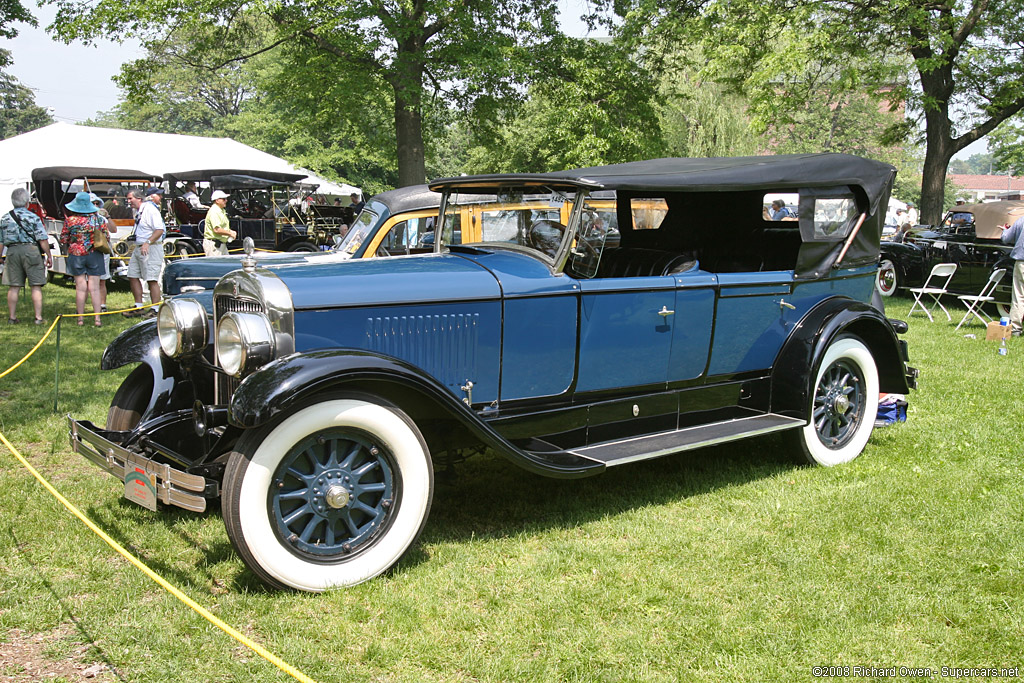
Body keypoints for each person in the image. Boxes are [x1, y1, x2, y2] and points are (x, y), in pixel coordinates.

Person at [1, 187, 52, 324]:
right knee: (36, 286)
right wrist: (48, 255)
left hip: (12, 251)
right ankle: (38, 318)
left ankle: (12, 317)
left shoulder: (5, 218)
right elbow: (42, 238)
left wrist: (0, 255)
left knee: (14, 286)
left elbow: (1, 240)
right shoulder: (33, 217)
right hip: (31, 250)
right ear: (27, 202)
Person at [60, 191, 108, 326]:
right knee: (95, 288)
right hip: (95, 254)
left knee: (80, 287)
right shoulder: (98, 219)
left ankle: (80, 319)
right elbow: (106, 236)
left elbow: (64, 238)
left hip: (76, 254)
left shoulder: (70, 220)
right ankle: (97, 319)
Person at [123, 187, 165, 318]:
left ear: (139, 198)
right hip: (139, 247)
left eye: (130, 198)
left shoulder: (150, 210)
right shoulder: (139, 211)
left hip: (151, 248)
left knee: (151, 279)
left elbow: (159, 230)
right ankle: (139, 306)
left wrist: (148, 242)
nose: (129, 201)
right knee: (132, 275)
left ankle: (155, 309)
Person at [90, 193, 117, 312]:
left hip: (102, 251)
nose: (95, 206)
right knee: (86, 281)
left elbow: (113, 229)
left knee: (102, 279)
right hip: (88, 252)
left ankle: (102, 305)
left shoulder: (102, 218)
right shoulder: (81, 218)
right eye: (93, 203)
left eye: (97, 203)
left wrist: (108, 216)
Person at [1000, 214, 1024, 336]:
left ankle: (1016, 328)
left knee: (1019, 296)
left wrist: (1005, 229)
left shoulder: (1021, 220)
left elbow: (1006, 238)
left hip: (1021, 262)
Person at [203, 190, 236, 256]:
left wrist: (230, 231)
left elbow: (222, 227)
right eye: (224, 199)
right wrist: (230, 233)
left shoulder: (221, 210)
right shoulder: (214, 211)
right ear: (217, 201)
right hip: (214, 246)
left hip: (221, 245)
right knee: (215, 265)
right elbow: (217, 230)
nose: (226, 201)